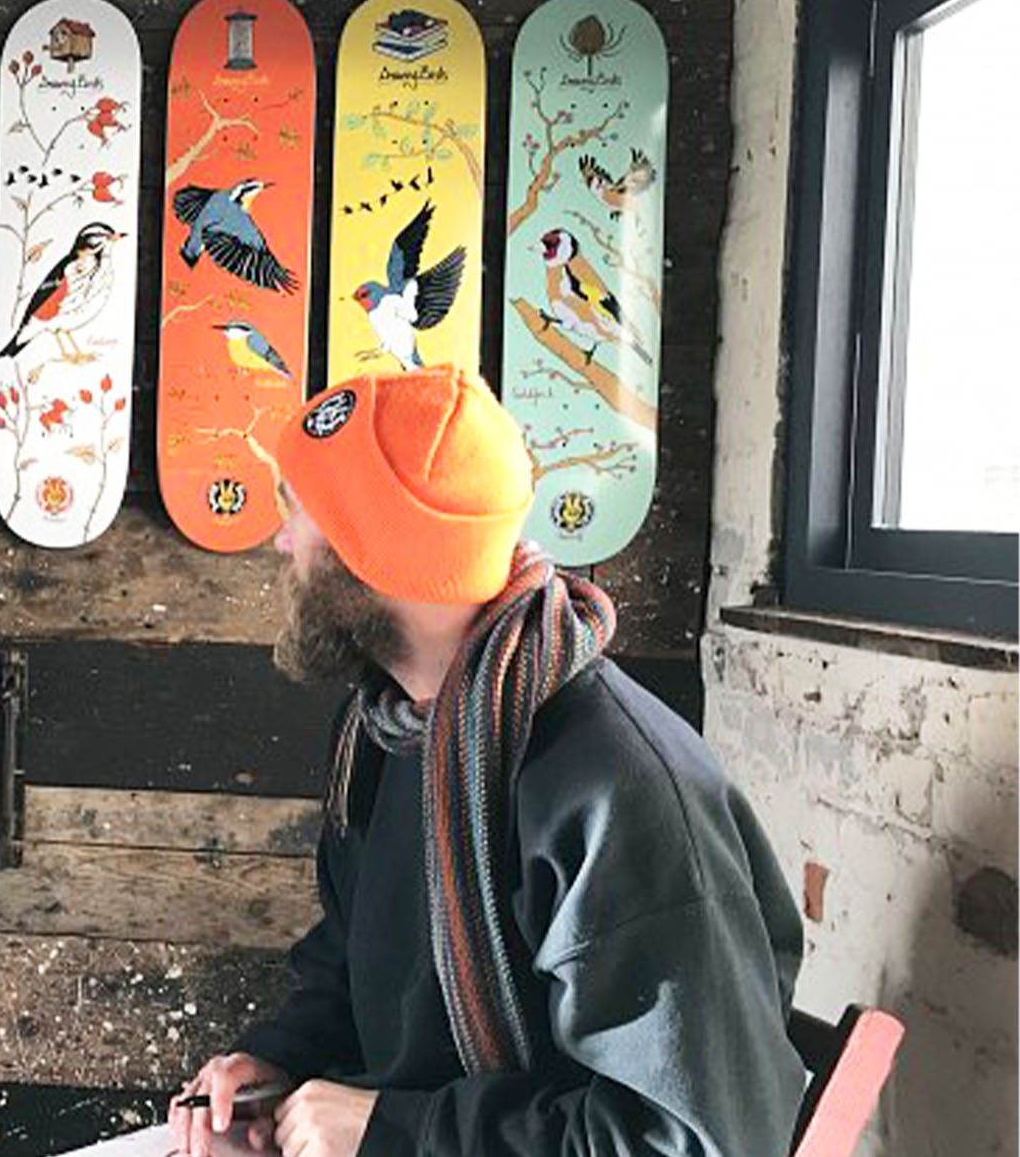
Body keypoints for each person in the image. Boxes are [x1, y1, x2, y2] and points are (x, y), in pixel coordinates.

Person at [168, 367, 805, 1157]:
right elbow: (362, 963)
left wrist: (397, 1131)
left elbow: (690, 1139)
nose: (281, 542)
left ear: (373, 556)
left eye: (299, 512)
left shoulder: (618, 791)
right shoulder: (388, 728)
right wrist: (278, 1061)